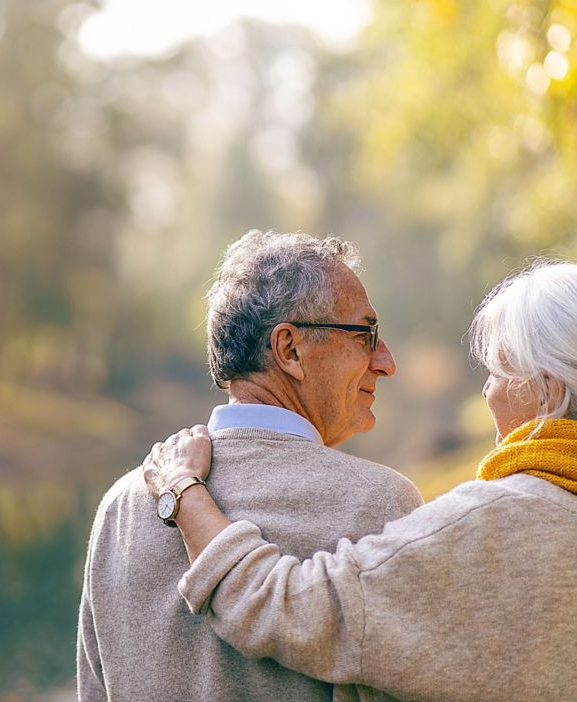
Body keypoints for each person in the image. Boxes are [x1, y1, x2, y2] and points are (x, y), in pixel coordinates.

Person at [144, 261, 577, 701]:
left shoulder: (481, 532)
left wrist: (183, 491)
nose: (485, 392)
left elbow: (274, 606)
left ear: (548, 392)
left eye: (495, 372)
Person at [77, 230, 423, 701]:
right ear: (290, 351)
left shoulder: (121, 506)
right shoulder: (378, 503)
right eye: (367, 335)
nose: (386, 362)